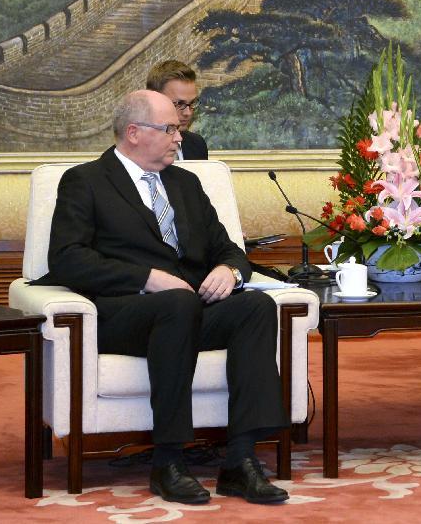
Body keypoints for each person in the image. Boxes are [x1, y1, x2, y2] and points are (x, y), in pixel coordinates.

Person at [36, 90, 288, 505]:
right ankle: (168, 461)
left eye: (178, 128)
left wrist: (230, 271)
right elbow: (67, 259)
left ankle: (240, 462)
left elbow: (228, 249)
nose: (178, 136)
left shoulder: (186, 183)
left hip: (185, 311)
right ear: (133, 133)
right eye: (169, 128)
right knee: (177, 302)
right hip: (123, 315)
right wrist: (146, 278)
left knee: (255, 307)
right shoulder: (86, 181)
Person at [146, 60, 208, 160]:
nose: (188, 113)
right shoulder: (137, 149)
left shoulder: (197, 144)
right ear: (153, 100)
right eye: (179, 104)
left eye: (192, 103)